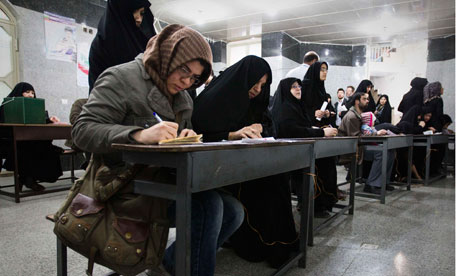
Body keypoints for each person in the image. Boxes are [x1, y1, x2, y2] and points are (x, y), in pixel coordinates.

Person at [72, 24, 243, 276]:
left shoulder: (183, 97)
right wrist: (137, 135)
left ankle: (168, 264)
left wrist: (188, 137)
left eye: (194, 77)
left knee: (233, 211)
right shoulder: (121, 78)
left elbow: (180, 137)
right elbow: (82, 131)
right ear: (167, 54)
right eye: (184, 69)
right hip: (121, 182)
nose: (187, 81)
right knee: (208, 207)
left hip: (162, 178)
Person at [193, 55, 298, 268]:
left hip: (251, 163)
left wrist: (262, 128)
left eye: (263, 85)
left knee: (278, 178)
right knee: (264, 187)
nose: (258, 90)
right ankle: (258, 242)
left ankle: (278, 242)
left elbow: (271, 126)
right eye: (255, 82)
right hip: (221, 170)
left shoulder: (255, 103)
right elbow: (198, 135)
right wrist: (232, 134)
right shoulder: (214, 99)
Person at [270, 77, 338, 218]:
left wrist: (313, 128)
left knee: (327, 159)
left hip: (300, 150)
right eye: (294, 86)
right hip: (290, 152)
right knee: (320, 165)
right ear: (285, 89)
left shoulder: (296, 106)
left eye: (299, 87)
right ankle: (313, 205)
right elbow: (292, 130)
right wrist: (321, 132)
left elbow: (301, 127)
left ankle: (320, 202)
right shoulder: (285, 107)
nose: (298, 89)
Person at [0, 82, 63, 191]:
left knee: (44, 148)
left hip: (29, 141)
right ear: (19, 93)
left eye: (33, 93)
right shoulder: (5, 107)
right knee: (29, 148)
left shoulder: (35, 109)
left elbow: (37, 122)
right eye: (27, 92)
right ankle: (28, 179)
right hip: (9, 142)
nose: (30, 95)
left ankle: (26, 179)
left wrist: (49, 120)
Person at [88, 0, 156, 94]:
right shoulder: (102, 45)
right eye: (133, 11)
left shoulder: (144, 42)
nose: (139, 19)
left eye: (142, 13)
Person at [338, 92, 395, 195]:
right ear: (357, 101)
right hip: (351, 149)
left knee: (390, 151)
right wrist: (375, 133)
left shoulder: (357, 115)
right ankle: (371, 184)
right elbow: (356, 138)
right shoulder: (352, 116)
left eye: (367, 99)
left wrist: (372, 131)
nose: (367, 101)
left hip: (359, 146)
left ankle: (382, 182)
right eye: (364, 99)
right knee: (381, 152)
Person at [301, 61, 335, 127]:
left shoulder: (321, 89)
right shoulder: (304, 86)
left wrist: (327, 113)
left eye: (326, 70)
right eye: (322, 69)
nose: (325, 72)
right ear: (315, 70)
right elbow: (298, 108)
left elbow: (327, 107)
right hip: (306, 127)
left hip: (319, 127)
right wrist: (313, 113)